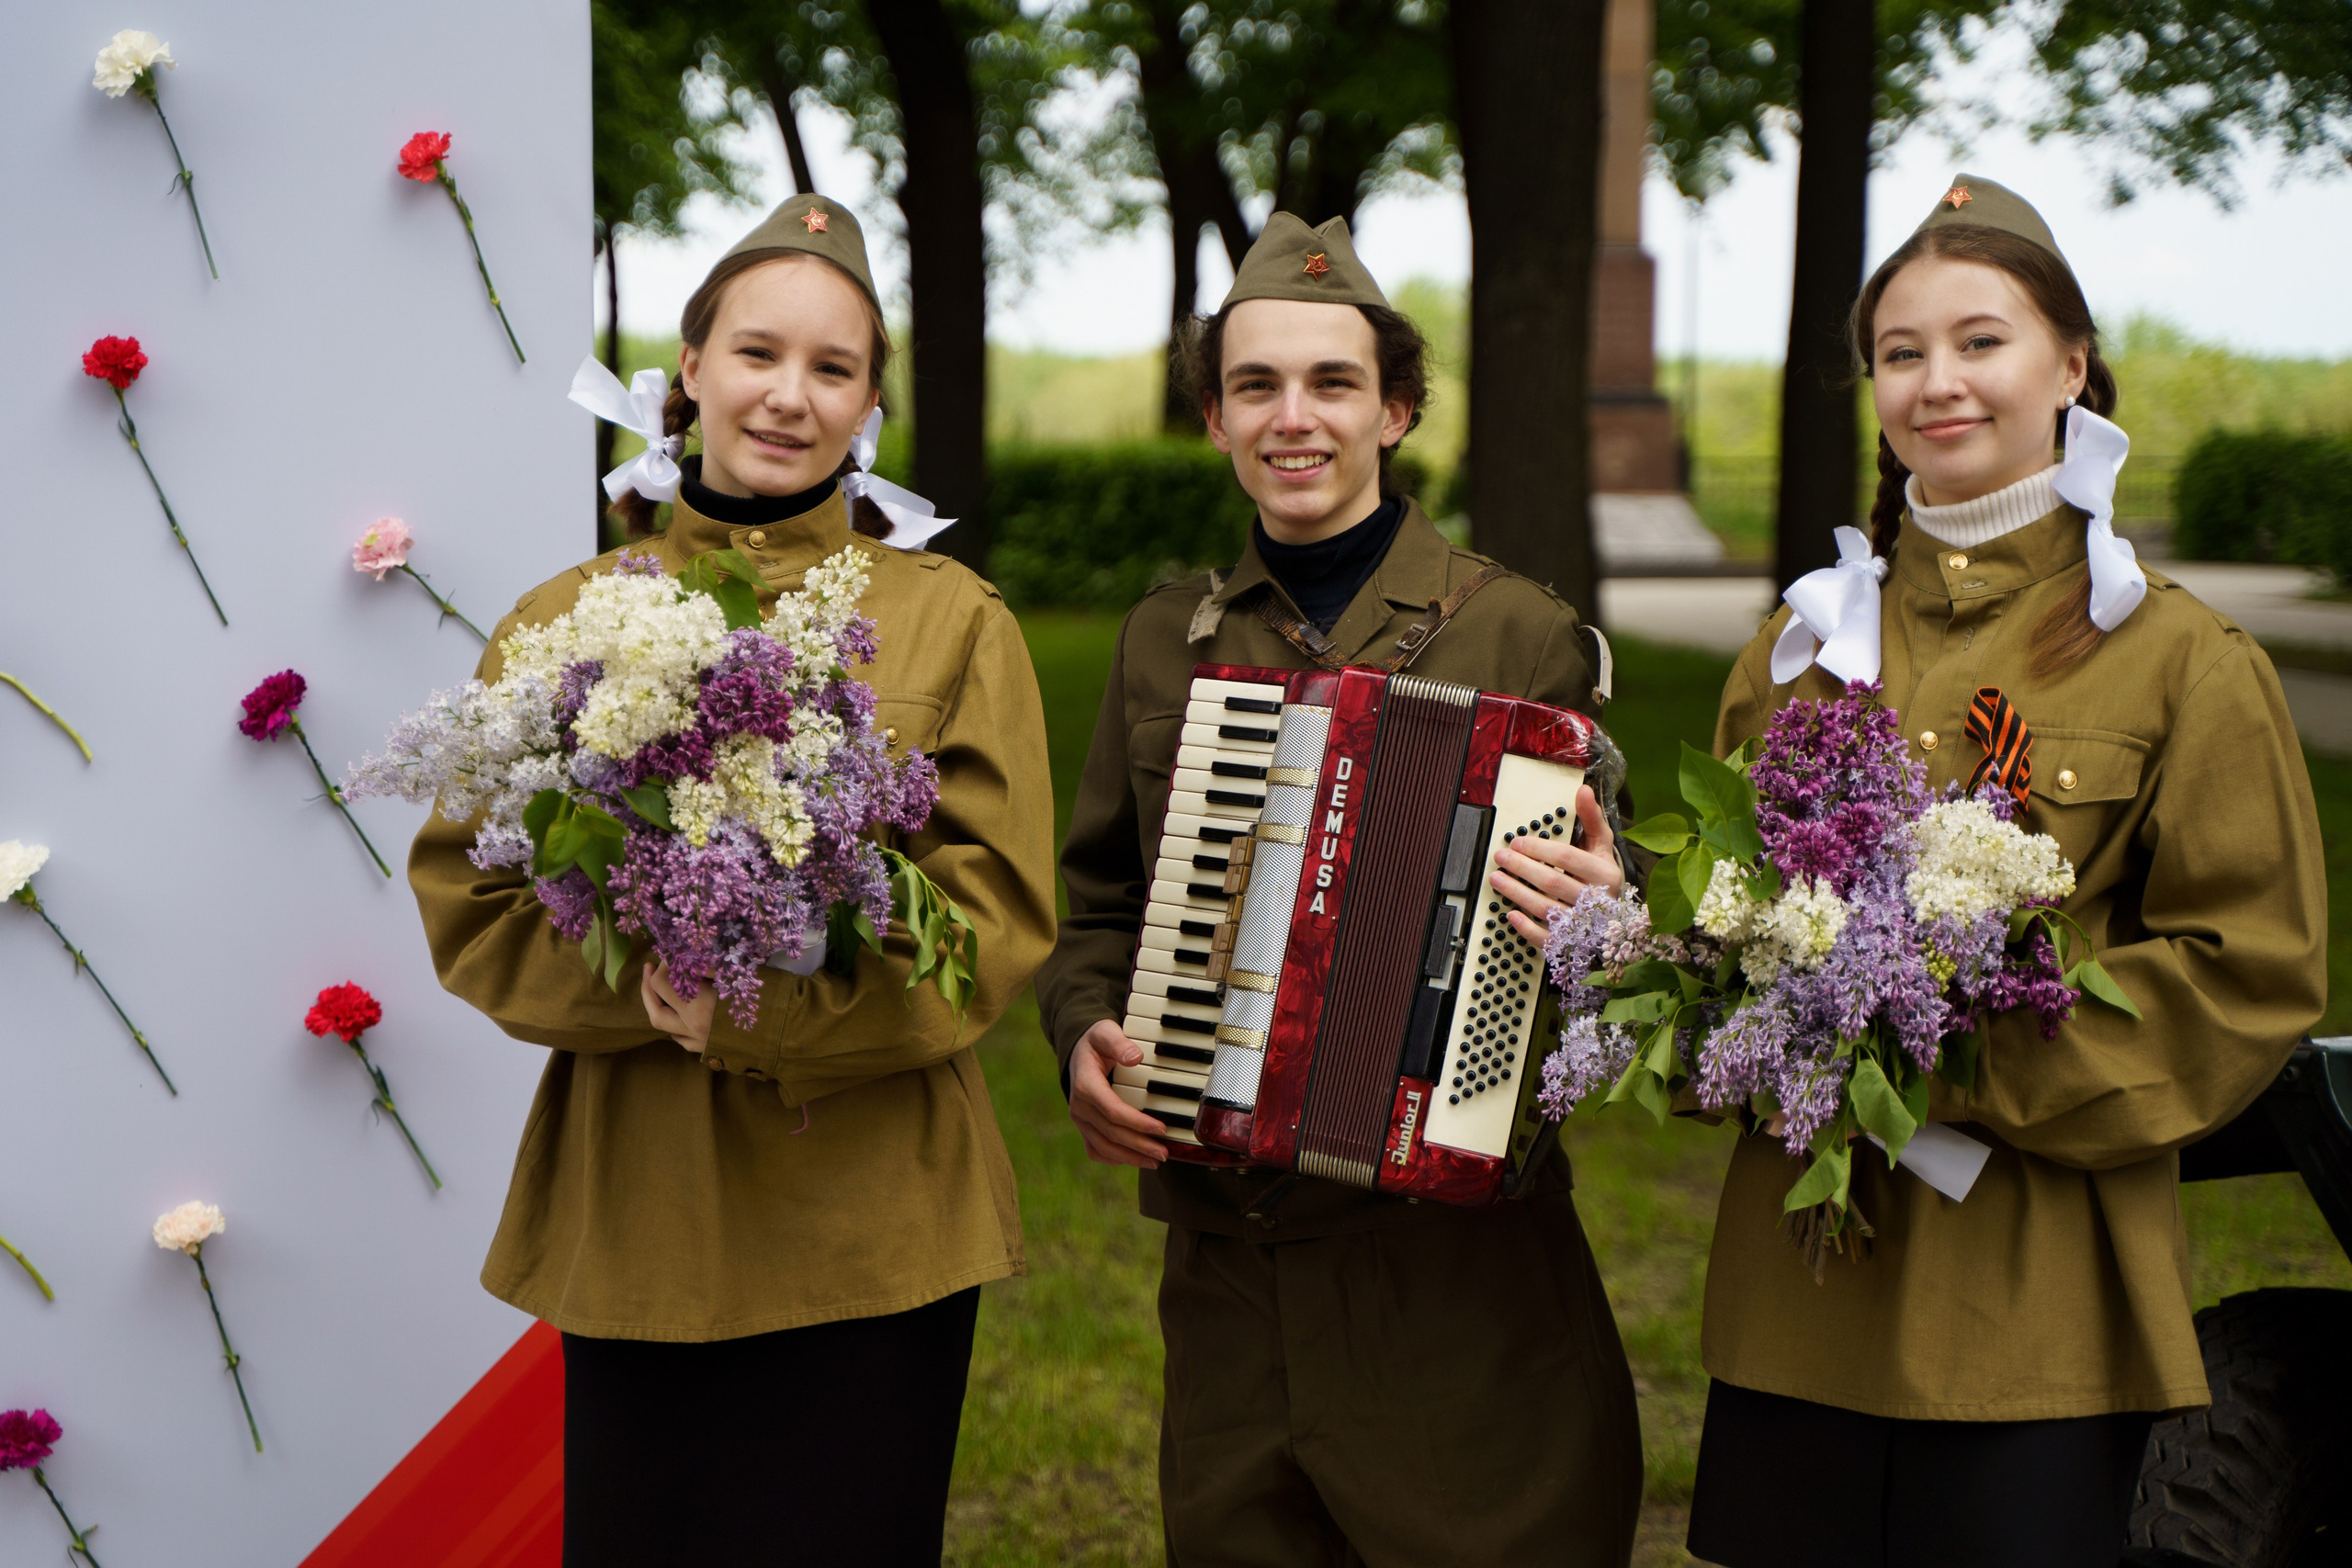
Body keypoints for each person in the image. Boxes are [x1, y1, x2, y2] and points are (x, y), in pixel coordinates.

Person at [1674, 175, 2327, 1568]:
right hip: (1803, 1301)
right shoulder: (1793, 652)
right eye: (1901, 354)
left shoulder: (2184, 660)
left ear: (2071, 366)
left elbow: (2248, 969)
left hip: (2035, 1308)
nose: (1938, 382)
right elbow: (1712, 938)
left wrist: (1955, 1057)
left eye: (1982, 342)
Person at [407, 195, 1056, 1566]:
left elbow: (992, 920)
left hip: (873, 1215)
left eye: (833, 369)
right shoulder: (562, 617)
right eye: (758, 354)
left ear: (869, 404)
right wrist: (647, 978)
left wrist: (775, 1014)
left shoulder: (952, 618)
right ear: (689, 366)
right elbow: (472, 899)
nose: (789, 397)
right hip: (644, 1206)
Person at [1035, 213, 1644, 1567]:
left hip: (1454, 1281)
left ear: (1398, 409)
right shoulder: (1161, 638)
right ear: (1213, 418)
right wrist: (1083, 1030)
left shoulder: (1518, 630)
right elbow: (1097, 914)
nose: (1292, 418)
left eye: (1332, 384)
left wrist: (1613, 901)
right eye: (1255, 386)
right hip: (1230, 1268)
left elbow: (1630, 901)